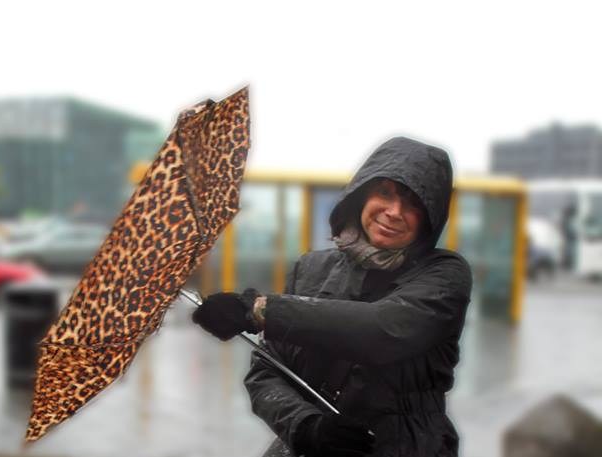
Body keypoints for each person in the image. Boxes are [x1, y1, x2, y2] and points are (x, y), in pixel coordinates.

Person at [192, 136, 472, 457]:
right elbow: (266, 373)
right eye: (385, 192)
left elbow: (385, 328)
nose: (394, 211)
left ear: (430, 215)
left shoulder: (445, 273)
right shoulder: (312, 268)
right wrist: (305, 426)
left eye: (413, 203)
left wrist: (260, 310)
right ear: (362, 195)